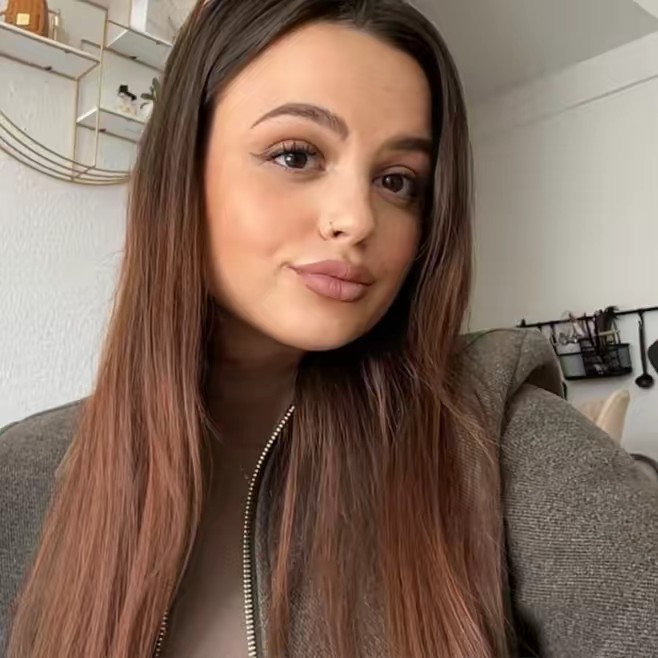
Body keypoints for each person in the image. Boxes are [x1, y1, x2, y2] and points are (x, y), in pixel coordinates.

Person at [1, 0, 657, 656]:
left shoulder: (493, 430)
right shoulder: (22, 470)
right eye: (296, 156)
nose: (358, 219)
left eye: (397, 181)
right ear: (183, 170)